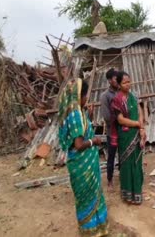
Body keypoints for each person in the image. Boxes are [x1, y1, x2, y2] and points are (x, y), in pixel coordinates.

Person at [58, 79, 108, 237]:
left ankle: (93, 227)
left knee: (88, 196)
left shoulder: (74, 112)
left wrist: (89, 115)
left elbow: (81, 131)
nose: (86, 99)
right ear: (78, 95)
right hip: (82, 163)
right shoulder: (75, 115)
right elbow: (79, 144)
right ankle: (92, 230)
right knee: (89, 196)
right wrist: (95, 141)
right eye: (85, 95)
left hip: (81, 163)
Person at [111, 71, 146, 205]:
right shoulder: (117, 99)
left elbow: (139, 112)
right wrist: (137, 124)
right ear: (119, 84)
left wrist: (141, 127)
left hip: (136, 134)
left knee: (137, 162)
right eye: (125, 82)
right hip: (125, 137)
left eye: (129, 82)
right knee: (127, 164)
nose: (128, 84)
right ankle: (127, 194)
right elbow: (120, 120)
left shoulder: (133, 96)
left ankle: (137, 192)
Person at [100, 68, 119, 191]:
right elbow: (106, 117)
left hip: (123, 130)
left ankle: (124, 175)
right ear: (109, 80)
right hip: (112, 131)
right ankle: (110, 180)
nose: (117, 80)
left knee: (124, 154)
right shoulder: (105, 96)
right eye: (115, 78)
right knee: (111, 156)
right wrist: (120, 118)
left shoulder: (121, 92)